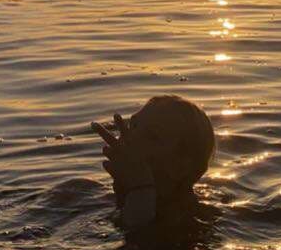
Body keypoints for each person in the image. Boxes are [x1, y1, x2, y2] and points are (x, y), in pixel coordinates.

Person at [91, 94, 215, 237]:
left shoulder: (189, 217)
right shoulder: (112, 196)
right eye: (133, 126)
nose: (132, 138)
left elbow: (137, 237)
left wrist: (140, 190)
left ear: (180, 166)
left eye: (152, 136)